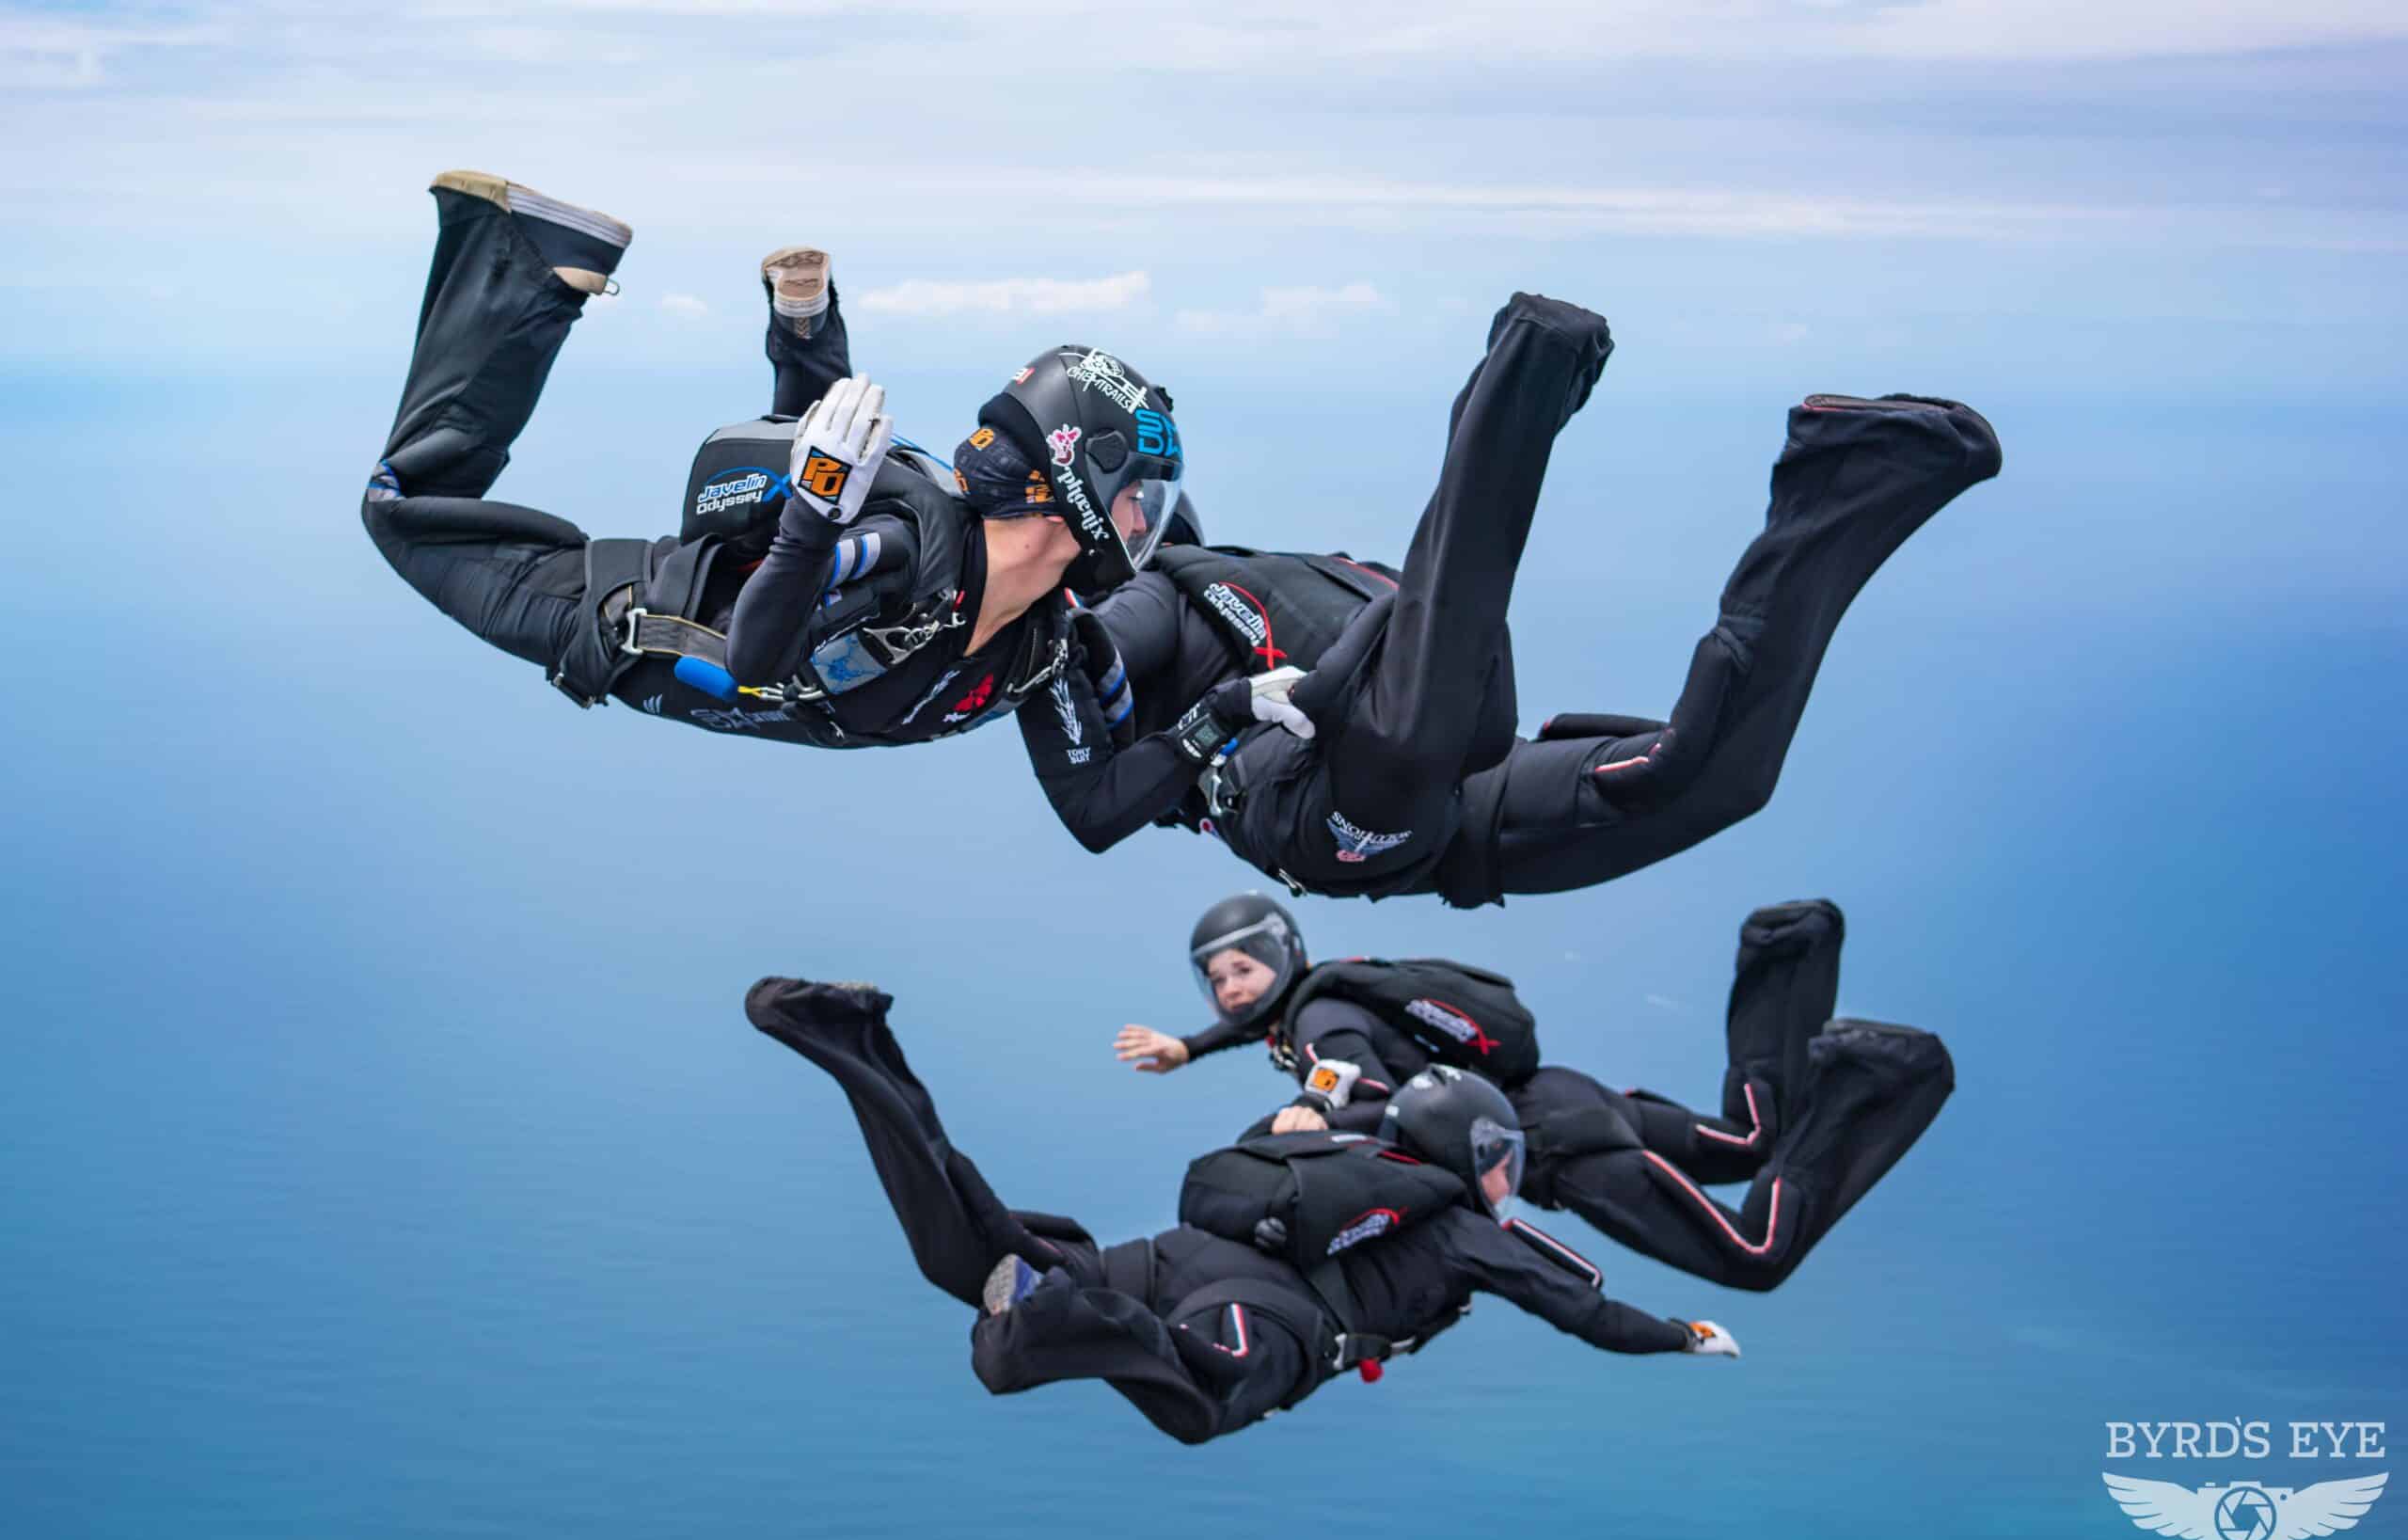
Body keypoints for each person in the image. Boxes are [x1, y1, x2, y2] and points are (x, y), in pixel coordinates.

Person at [1024, 292, 2003, 906]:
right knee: (1415, 717)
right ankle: (1527, 364)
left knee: (1714, 778)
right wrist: (1209, 706)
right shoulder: (1162, 598)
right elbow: (1096, 655)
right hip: (1334, 809)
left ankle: (1853, 475)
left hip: (1443, 799)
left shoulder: (1218, 584)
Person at [359, 169, 1180, 747]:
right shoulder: (905, 549)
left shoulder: (1039, 617)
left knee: (836, 478)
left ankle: (801, 316)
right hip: (602, 616)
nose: (1145, 519)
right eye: (1136, 496)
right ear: (1069, 485)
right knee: (396, 509)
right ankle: (528, 262)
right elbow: (759, 653)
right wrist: (817, 505)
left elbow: (822, 517)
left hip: (712, 599)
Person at [747, 976, 1739, 1448]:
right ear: (1467, 1152)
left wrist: (1299, 1079)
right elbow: (1577, 1303)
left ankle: (849, 1039)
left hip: (1174, 1252)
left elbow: (1311, 1087)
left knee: (962, 1249)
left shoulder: (1333, 1136)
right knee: (1196, 1402)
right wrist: (1678, 1334)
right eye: (1497, 1162)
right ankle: (1047, 1317)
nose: (1504, 1182)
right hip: (1270, 1318)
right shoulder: (1466, 1223)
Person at [1115, 891, 1954, 1292]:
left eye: (1243, 968)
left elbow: (1341, 1071)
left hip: (1563, 1152)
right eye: (1215, 979)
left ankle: (1870, 1075)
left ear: (1283, 953)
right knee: (1750, 1143)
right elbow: (1284, 1024)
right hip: (1564, 1091)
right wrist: (1189, 1048)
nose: (1229, 990)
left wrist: (1315, 1112)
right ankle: (1787, 951)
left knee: (1757, 1256)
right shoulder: (1325, 991)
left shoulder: (1317, 1023)